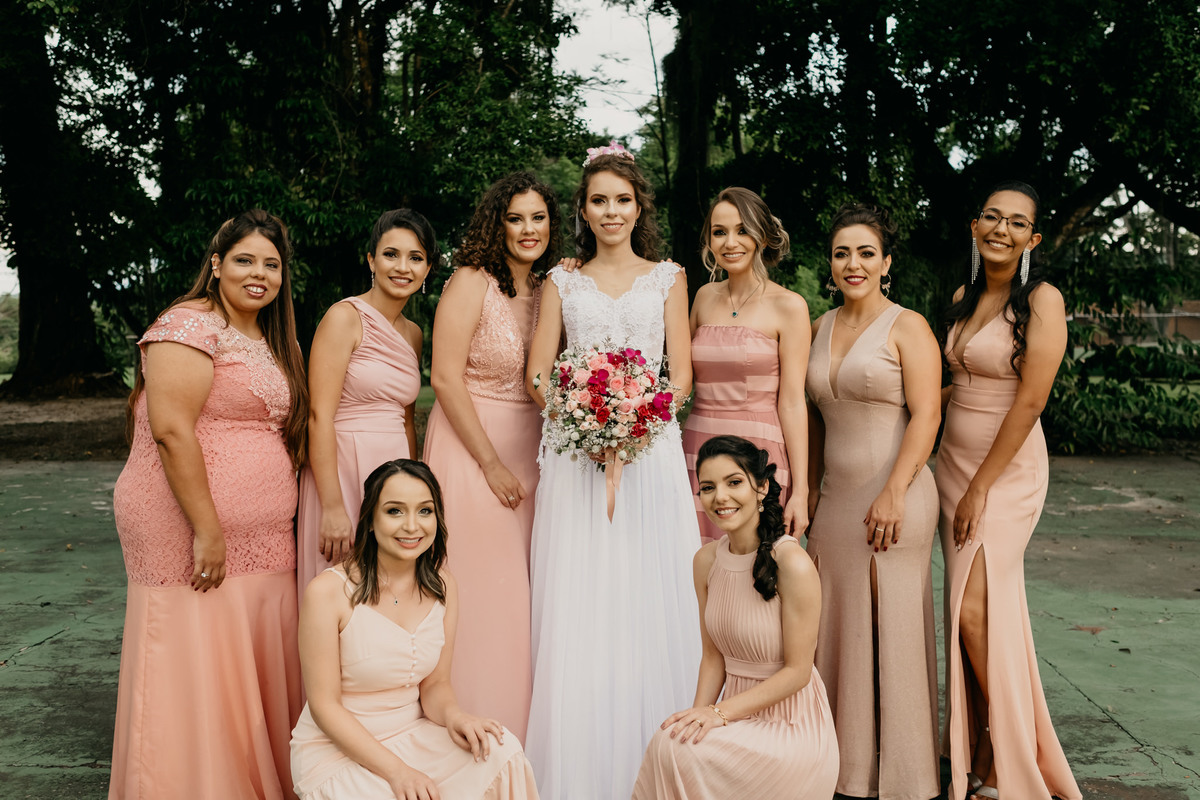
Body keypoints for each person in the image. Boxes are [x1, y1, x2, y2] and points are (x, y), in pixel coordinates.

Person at [523, 144, 702, 799]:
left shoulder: (669, 278)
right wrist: (582, 419)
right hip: (575, 459)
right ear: (582, 208)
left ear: (639, 206)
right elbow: (539, 373)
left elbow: (679, 375)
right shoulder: (562, 282)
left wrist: (637, 420)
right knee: (582, 598)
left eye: (622, 199)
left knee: (649, 595)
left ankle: (658, 764)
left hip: (650, 453)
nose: (611, 211)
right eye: (598, 200)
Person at [110, 209, 309, 799]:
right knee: (195, 660)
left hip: (267, 537)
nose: (259, 274)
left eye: (271, 265)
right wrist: (208, 529)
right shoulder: (188, 325)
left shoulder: (269, 335)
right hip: (190, 527)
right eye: (245, 260)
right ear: (217, 264)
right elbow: (171, 430)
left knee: (246, 660)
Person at [937, 181, 1081, 800]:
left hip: (1007, 470)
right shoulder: (963, 297)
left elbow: (1031, 400)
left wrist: (980, 489)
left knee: (973, 610)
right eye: (992, 217)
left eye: (1017, 222)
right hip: (950, 464)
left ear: (1033, 238)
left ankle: (1016, 744)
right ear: (975, 226)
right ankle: (987, 763)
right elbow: (952, 387)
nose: (1002, 229)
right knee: (982, 612)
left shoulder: (1042, 299)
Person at [290, 459, 539, 799]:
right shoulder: (327, 593)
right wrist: (397, 772)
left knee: (502, 751)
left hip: (412, 732)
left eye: (425, 511)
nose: (412, 526)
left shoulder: (443, 585)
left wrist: (456, 717)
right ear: (371, 521)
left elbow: (435, 685)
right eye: (395, 511)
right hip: (337, 747)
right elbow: (324, 706)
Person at [806, 203, 942, 799]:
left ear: (887, 262)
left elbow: (928, 413)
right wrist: (808, 492)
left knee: (893, 628)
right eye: (842, 253)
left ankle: (909, 779)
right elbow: (812, 420)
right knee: (835, 628)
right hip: (833, 502)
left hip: (897, 493)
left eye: (865, 252)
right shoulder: (820, 325)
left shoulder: (907, 325)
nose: (852, 263)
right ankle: (844, 773)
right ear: (830, 264)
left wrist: (894, 491)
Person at [423, 172, 562, 742]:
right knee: (481, 590)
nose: (528, 229)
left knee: (528, 595)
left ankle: (526, 738)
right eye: (515, 218)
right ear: (496, 224)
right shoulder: (471, 282)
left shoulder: (556, 288)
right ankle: (473, 726)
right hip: (471, 446)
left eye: (538, 217)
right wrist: (490, 465)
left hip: (537, 448)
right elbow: (445, 379)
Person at [632, 435, 838, 800]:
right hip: (734, 717)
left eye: (734, 482)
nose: (720, 498)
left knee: (671, 750)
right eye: (708, 488)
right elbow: (713, 658)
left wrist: (718, 714)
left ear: (761, 487)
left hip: (790, 726)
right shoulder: (706, 561)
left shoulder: (792, 562)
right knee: (671, 743)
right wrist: (696, 719)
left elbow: (798, 672)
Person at [296, 209, 432, 601]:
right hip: (340, 464)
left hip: (390, 468)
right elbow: (318, 416)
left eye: (416, 257)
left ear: (426, 269)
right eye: (391, 254)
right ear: (371, 260)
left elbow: (406, 418)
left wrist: (412, 485)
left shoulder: (414, 333)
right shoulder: (344, 317)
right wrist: (333, 506)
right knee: (340, 588)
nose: (402, 267)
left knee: (389, 590)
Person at [683, 187, 811, 543]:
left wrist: (799, 490)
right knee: (696, 563)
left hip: (758, 450)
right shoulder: (703, 297)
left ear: (761, 235)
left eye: (742, 230)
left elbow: (792, 402)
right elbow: (679, 378)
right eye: (719, 232)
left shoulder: (790, 306)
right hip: (697, 448)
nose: (730, 242)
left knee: (757, 565)